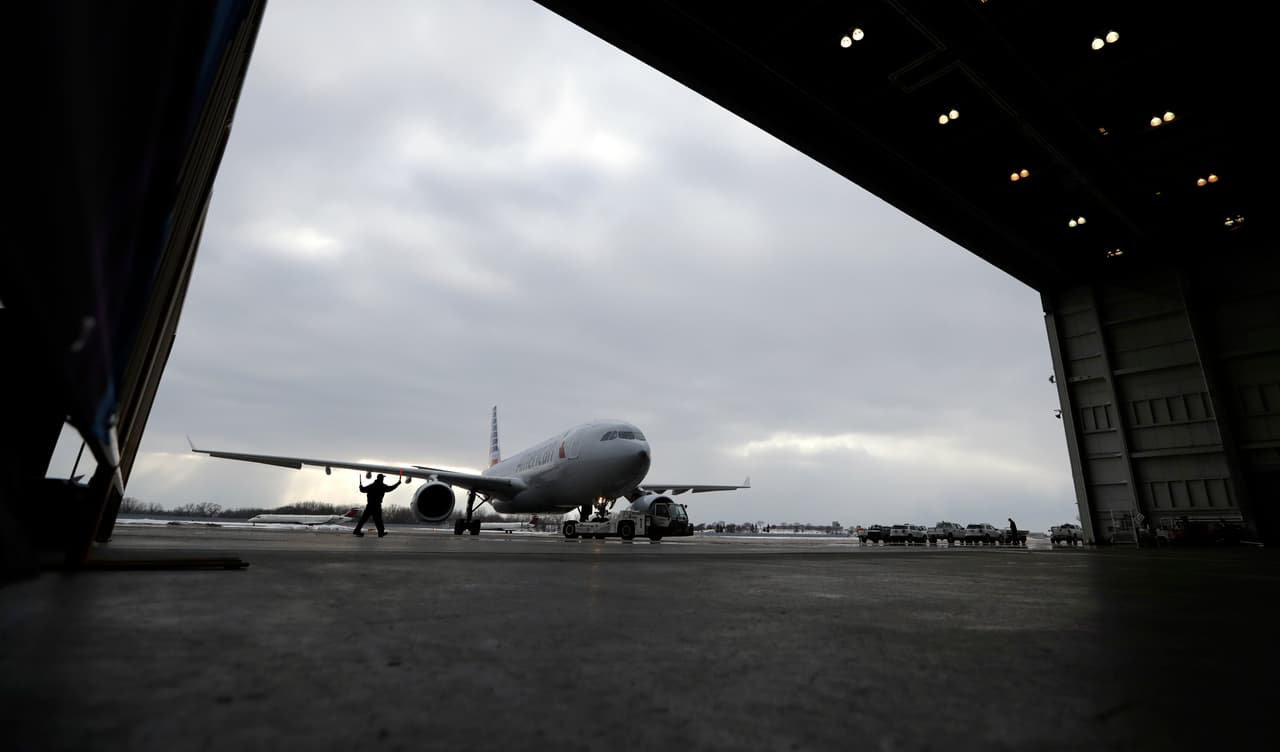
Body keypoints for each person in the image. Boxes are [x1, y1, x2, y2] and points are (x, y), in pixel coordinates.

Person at [354, 473, 400, 537]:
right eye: (383, 478)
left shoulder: (372, 485)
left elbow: (362, 490)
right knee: (378, 520)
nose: (383, 479)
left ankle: (357, 530)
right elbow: (390, 488)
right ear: (381, 479)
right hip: (377, 506)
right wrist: (397, 484)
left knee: (363, 519)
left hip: (369, 505)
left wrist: (361, 486)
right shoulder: (382, 486)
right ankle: (381, 532)